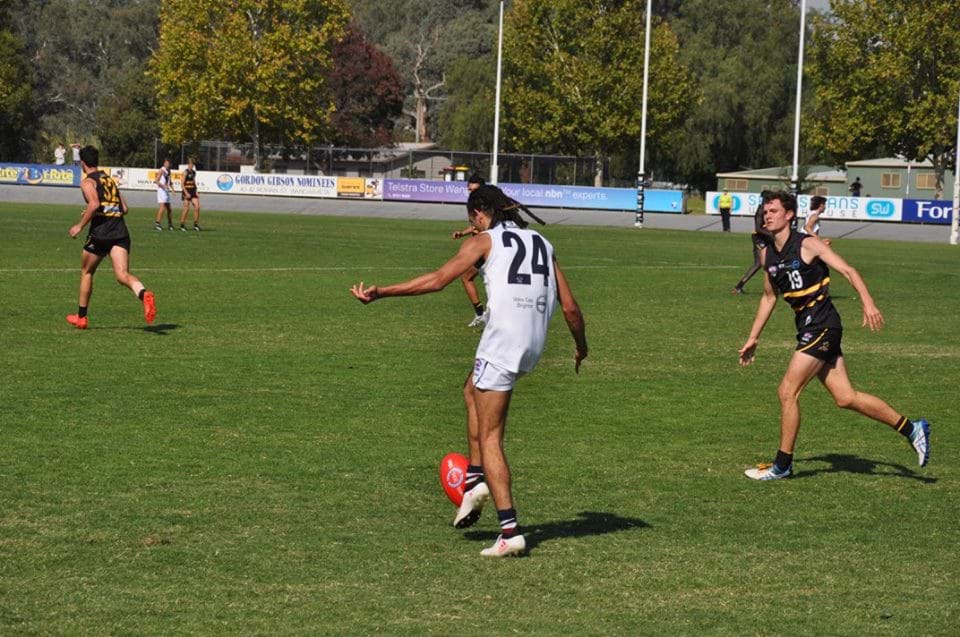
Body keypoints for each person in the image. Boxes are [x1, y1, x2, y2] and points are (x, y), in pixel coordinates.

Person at [350, 184, 588, 556]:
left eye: (472, 220)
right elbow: (570, 307)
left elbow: (437, 280)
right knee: (470, 389)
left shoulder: (484, 242)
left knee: (491, 437)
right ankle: (475, 479)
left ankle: (509, 531)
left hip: (502, 344)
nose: (473, 227)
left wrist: (382, 293)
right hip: (533, 345)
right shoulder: (543, 242)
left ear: (479, 213)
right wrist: (581, 347)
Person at [737, 191, 929, 480]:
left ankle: (782, 465)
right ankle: (913, 428)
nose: (768, 216)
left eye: (774, 211)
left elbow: (848, 270)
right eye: (765, 212)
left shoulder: (807, 244)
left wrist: (868, 302)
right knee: (846, 397)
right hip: (808, 327)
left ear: (789, 215)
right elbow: (768, 297)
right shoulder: (768, 255)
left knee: (787, 391)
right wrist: (754, 337)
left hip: (823, 325)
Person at [66, 145, 156, 329]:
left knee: (87, 272)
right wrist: (96, 211)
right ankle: (144, 294)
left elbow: (94, 204)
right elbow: (124, 209)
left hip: (101, 233)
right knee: (122, 275)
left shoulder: (87, 182)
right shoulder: (109, 180)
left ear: (82, 163)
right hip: (120, 232)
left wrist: (79, 225)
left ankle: (81, 317)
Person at [452, 174, 488, 327]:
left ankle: (481, 314)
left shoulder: (483, 204)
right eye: (469, 186)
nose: (469, 188)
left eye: (472, 185)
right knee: (468, 277)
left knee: (467, 277)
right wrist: (462, 233)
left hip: (484, 247)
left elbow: (485, 226)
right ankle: (482, 314)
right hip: (483, 246)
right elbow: (475, 226)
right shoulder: (477, 202)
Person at [731, 191, 773, 294]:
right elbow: (758, 229)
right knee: (759, 263)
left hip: (765, 238)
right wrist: (771, 235)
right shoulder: (760, 211)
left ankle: (776, 287)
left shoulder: (767, 210)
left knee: (773, 260)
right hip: (759, 238)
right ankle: (738, 287)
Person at [179, 157, 201, 232]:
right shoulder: (185, 172)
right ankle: (182, 225)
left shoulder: (194, 172)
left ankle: (195, 225)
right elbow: (182, 184)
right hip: (186, 191)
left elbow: (194, 182)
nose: (191, 165)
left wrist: (196, 191)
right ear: (188, 164)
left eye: (192, 164)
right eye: (190, 164)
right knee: (186, 208)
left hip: (192, 191)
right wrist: (186, 193)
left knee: (197, 206)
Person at [154, 159, 174, 231]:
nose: (168, 165)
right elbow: (156, 181)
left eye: (169, 163)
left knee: (169, 208)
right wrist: (163, 186)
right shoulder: (161, 170)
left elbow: (169, 181)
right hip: (161, 191)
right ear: (164, 163)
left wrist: (173, 189)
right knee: (162, 207)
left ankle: (170, 224)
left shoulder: (169, 171)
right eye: (166, 163)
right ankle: (157, 224)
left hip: (166, 191)